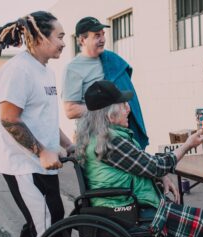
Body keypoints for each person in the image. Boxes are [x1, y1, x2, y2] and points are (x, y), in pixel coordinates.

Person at [75, 80, 203, 237]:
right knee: (200, 223)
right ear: (110, 115)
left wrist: (160, 174)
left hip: (122, 203)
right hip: (127, 210)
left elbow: (143, 163)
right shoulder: (110, 141)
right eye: (123, 106)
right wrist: (187, 145)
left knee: (199, 223)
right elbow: (155, 166)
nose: (129, 109)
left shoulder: (94, 136)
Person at [0, 11, 73, 237]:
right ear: (40, 36)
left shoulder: (47, 71)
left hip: (44, 165)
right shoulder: (18, 69)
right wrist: (41, 152)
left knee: (45, 224)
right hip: (24, 166)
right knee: (47, 230)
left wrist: (68, 144)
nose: (63, 42)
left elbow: (45, 119)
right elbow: (9, 120)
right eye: (59, 36)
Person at [62, 16, 148, 149]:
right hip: (94, 138)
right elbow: (70, 111)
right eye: (97, 35)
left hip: (120, 134)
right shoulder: (73, 68)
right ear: (82, 39)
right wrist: (106, 107)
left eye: (103, 34)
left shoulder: (111, 59)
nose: (102, 39)